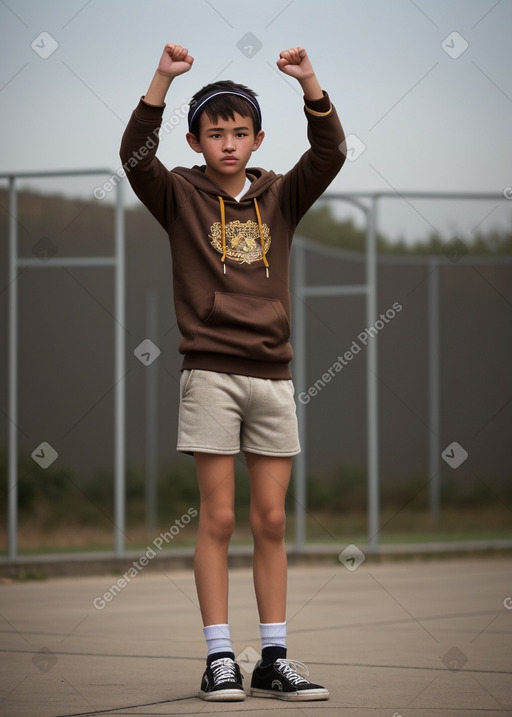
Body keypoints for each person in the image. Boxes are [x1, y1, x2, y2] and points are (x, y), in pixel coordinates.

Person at [120, 42, 346, 702]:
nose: (227, 143)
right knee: (217, 517)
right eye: (214, 133)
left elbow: (330, 152)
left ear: (256, 137)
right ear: (195, 138)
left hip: (273, 376)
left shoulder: (281, 196)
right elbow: (135, 153)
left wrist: (309, 80)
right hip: (211, 373)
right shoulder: (177, 195)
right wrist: (163, 77)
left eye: (238, 132)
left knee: (270, 518)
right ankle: (220, 658)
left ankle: (273, 657)